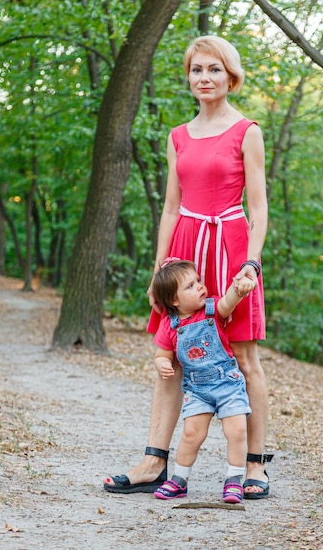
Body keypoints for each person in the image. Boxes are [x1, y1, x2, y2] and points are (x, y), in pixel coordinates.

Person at [103, 34, 272, 500]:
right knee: (172, 356)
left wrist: (251, 264)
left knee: (243, 358)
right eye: (197, 70)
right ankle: (154, 461)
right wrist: (160, 267)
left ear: (231, 76)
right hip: (185, 254)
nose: (205, 78)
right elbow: (171, 208)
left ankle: (255, 466)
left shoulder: (247, 131)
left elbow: (258, 208)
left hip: (232, 248)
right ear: (189, 77)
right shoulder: (178, 135)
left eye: (214, 69)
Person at [151, 259, 254, 503]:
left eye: (198, 281)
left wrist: (238, 290)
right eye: (190, 286)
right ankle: (179, 479)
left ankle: (234, 480)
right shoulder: (170, 325)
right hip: (197, 390)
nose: (200, 286)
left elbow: (228, 302)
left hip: (227, 384)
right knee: (191, 434)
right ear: (174, 300)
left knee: (237, 430)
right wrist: (162, 364)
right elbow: (161, 353)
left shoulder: (211, 309)